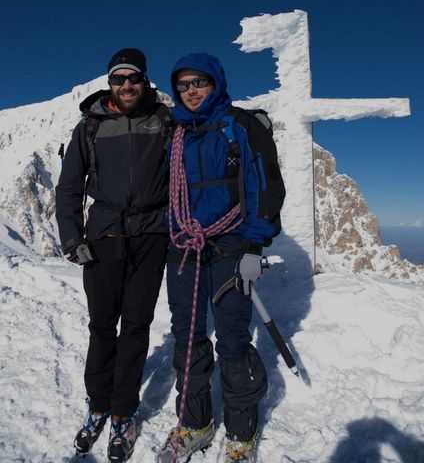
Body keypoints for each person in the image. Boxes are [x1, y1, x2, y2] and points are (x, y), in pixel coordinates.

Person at [157, 53, 285, 463]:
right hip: (183, 248)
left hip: (230, 247)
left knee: (231, 339)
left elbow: (266, 187)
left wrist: (254, 246)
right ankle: (196, 423)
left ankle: (241, 431)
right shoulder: (174, 133)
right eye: (183, 84)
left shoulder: (243, 125)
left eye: (200, 82)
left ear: (216, 82)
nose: (191, 90)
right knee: (188, 338)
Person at [55, 48, 170, 463]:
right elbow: (69, 187)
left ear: (144, 81)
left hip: (151, 237)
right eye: (119, 79)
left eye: (133, 78)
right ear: (109, 84)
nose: (126, 86)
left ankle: (123, 412)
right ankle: (98, 404)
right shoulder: (89, 126)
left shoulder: (164, 121)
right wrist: (71, 238)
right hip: (102, 236)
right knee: (102, 327)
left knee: (136, 327)